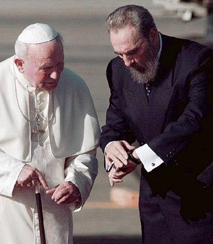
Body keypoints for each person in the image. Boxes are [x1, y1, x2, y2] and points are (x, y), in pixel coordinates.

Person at [0, 23, 100, 244]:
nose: (57, 74)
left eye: (60, 63)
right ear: (20, 64)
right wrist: (12, 171)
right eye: (47, 67)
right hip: (0, 216)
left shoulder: (75, 85)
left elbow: (85, 152)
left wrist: (76, 182)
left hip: (53, 215)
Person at [99, 5, 213, 244]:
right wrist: (112, 148)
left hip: (198, 195)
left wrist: (139, 156)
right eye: (119, 54)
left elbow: (193, 121)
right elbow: (116, 122)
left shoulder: (197, 61)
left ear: (152, 35)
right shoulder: (118, 69)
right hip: (154, 201)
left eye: (132, 52)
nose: (127, 62)